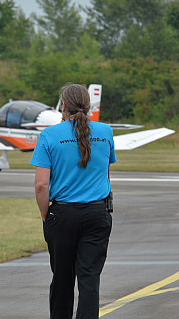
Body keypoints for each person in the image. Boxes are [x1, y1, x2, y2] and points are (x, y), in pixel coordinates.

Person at [30, 83, 115, 319]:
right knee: (89, 279)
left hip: (63, 215)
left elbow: (41, 185)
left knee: (62, 279)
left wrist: (46, 215)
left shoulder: (49, 135)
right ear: (88, 106)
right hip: (97, 214)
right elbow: (104, 169)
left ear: (63, 105)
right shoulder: (106, 132)